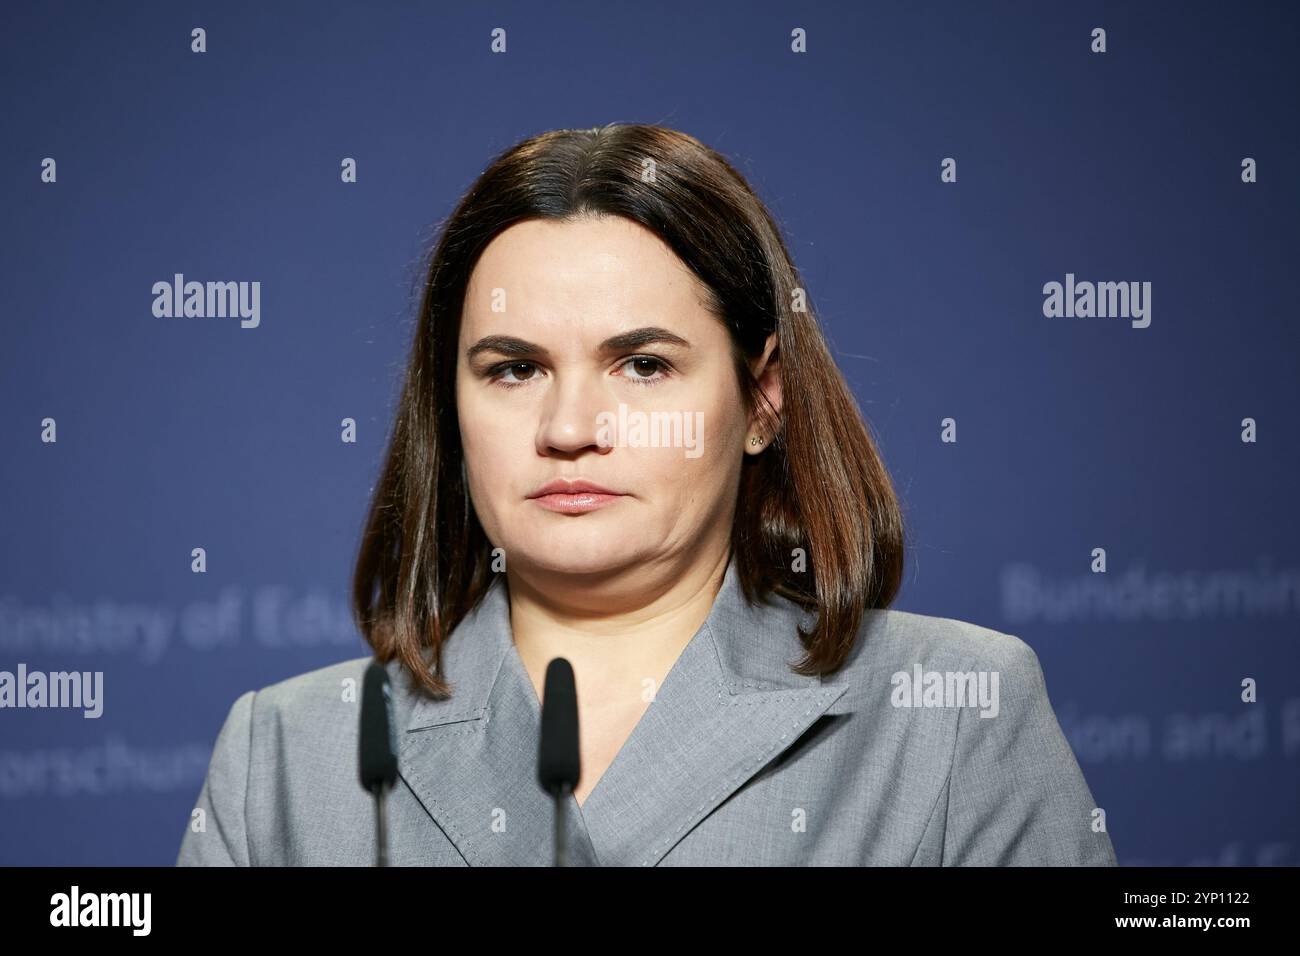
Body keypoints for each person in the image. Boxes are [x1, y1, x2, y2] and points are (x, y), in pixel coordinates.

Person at [176, 124, 1116, 866]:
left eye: (642, 364)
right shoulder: (286, 757)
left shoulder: (951, 715)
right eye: (512, 370)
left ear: (761, 400)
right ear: (448, 406)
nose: (571, 424)